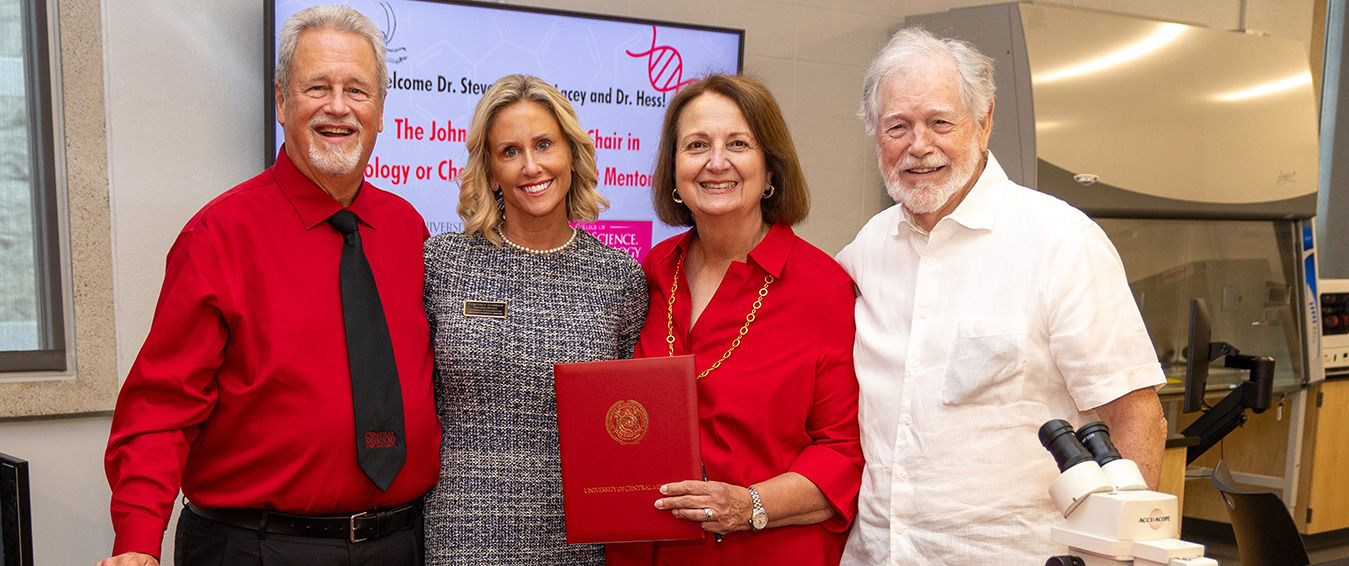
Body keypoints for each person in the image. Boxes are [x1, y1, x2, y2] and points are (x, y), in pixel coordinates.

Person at [100, 7, 437, 566]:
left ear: (380, 111)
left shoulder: (408, 230)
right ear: (281, 103)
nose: (338, 106)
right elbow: (161, 406)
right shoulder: (218, 236)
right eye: (317, 87)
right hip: (255, 548)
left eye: (358, 90)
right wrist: (137, 542)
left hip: (400, 545)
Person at [835, 27, 1169, 564]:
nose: (919, 146)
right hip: (877, 553)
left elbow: (1135, 415)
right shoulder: (865, 252)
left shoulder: (1061, 243)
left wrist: (1121, 553)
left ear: (985, 121)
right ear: (875, 134)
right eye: (897, 126)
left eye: (940, 122)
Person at [609, 74, 864, 565]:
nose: (716, 161)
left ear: (770, 170)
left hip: (765, 552)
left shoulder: (824, 290)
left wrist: (749, 506)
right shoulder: (653, 271)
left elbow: (843, 452)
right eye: (697, 144)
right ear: (675, 170)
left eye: (738, 144)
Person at [421, 74, 648, 566]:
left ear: (571, 152)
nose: (531, 166)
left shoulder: (619, 277)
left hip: (579, 540)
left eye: (544, 144)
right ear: (489, 166)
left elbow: (632, 429)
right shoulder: (441, 264)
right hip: (460, 537)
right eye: (509, 151)